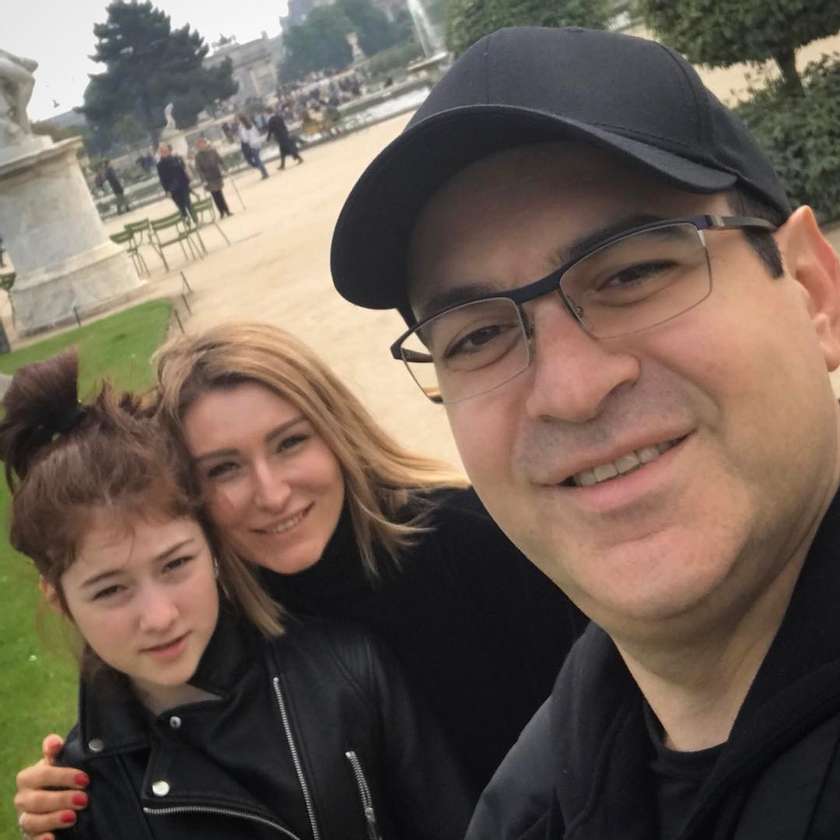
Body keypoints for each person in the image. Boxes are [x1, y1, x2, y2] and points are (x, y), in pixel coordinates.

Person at [329, 25, 840, 840]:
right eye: (477, 335)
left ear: (812, 290)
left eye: (633, 272)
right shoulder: (527, 810)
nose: (569, 391)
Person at [13, 323, 586, 839]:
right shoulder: (225, 620)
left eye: (290, 443)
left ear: (336, 433)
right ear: (185, 494)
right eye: (224, 468)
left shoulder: (477, 540)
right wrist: (82, 778)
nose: (272, 493)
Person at [193, 138, 232, 218]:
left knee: (220, 194)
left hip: (216, 175)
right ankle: (221, 211)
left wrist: (225, 169)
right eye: (199, 145)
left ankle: (226, 210)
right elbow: (199, 169)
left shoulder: (212, 151)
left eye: (202, 144)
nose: (201, 146)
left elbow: (220, 160)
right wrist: (203, 180)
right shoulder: (198, 156)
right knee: (215, 195)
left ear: (205, 144)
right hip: (208, 178)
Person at [155, 144, 195, 222]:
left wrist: (187, 182)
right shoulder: (160, 165)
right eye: (162, 152)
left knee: (188, 204)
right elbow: (162, 179)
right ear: (160, 153)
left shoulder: (176, 159)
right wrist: (167, 191)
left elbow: (183, 171)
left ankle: (196, 221)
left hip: (183, 186)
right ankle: (188, 223)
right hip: (172, 190)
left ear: (169, 151)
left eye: (165, 151)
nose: (164, 153)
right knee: (181, 207)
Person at [237, 114, 269, 179]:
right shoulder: (251, 125)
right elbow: (257, 133)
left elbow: (245, 139)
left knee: (256, 160)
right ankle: (264, 172)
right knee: (257, 159)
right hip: (257, 143)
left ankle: (264, 173)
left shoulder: (243, 128)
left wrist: (242, 139)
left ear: (240, 120)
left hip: (251, 145)